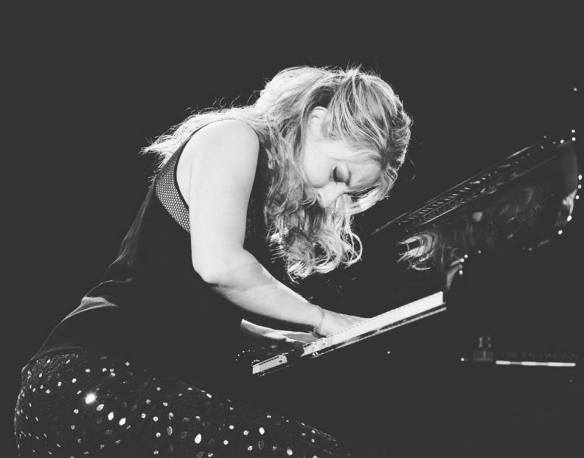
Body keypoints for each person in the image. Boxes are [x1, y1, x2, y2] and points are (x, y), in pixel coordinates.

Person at [14, 65, 411, 457]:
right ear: (316, 120)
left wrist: (258, 334)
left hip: (82, 385)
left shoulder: (255, 176)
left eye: (348, 194)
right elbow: (219, 267)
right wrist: (321, 318)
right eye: (338, 174)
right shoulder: (234, 137)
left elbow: (170, 286)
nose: (329, 199)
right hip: (94, 378)